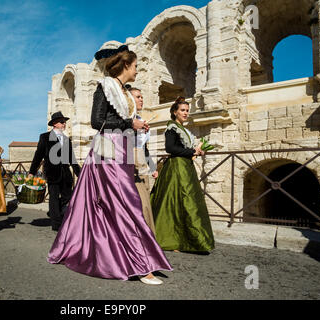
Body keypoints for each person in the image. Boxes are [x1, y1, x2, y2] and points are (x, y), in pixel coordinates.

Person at [48, 45, 172, 285]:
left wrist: (135, 124)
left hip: (122, 149)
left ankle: (117, 255)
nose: (137, 70)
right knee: (126, 202)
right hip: (108, 150)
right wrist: (129, 123)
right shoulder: (104, 86)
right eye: (135, 66)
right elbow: (97, 121)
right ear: (125, 65)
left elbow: (121, 121)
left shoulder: (124, 90)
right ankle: (140, 263)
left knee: (112, 204)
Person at [150, 97, 215, 253]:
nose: (186, 113)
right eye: (182, 110)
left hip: (186, 167)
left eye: (187, 110)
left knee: (187, 201)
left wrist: (197, 151)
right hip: (176, 168)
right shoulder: (172, 127)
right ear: (175, 112)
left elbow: (184, 149)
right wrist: (192, 151)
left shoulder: (184, 129)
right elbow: (170, 148)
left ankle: (186, 239)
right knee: (178, 201)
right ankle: (172, 238)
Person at [28, 111, 81, 231]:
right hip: (52, 172)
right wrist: (32, 171)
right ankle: (56, 224)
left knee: (69, 196)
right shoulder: (45, 137)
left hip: (66, 173)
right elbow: (38, 155)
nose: (64, 124)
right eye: (62, 122)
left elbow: (72, 159)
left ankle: (54, 212)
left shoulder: (67, 139)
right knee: (54, 197)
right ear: (55, 124)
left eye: (65, 122)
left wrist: (80, 174)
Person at [128, 87, 158, 233]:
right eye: (137, 96)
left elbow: (144, 148)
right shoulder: (123, 120)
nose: (141, 99)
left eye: (142, 96)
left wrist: (153, 167)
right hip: (127, 160)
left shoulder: (142, 121)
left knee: (144, 198)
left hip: (141, 162)